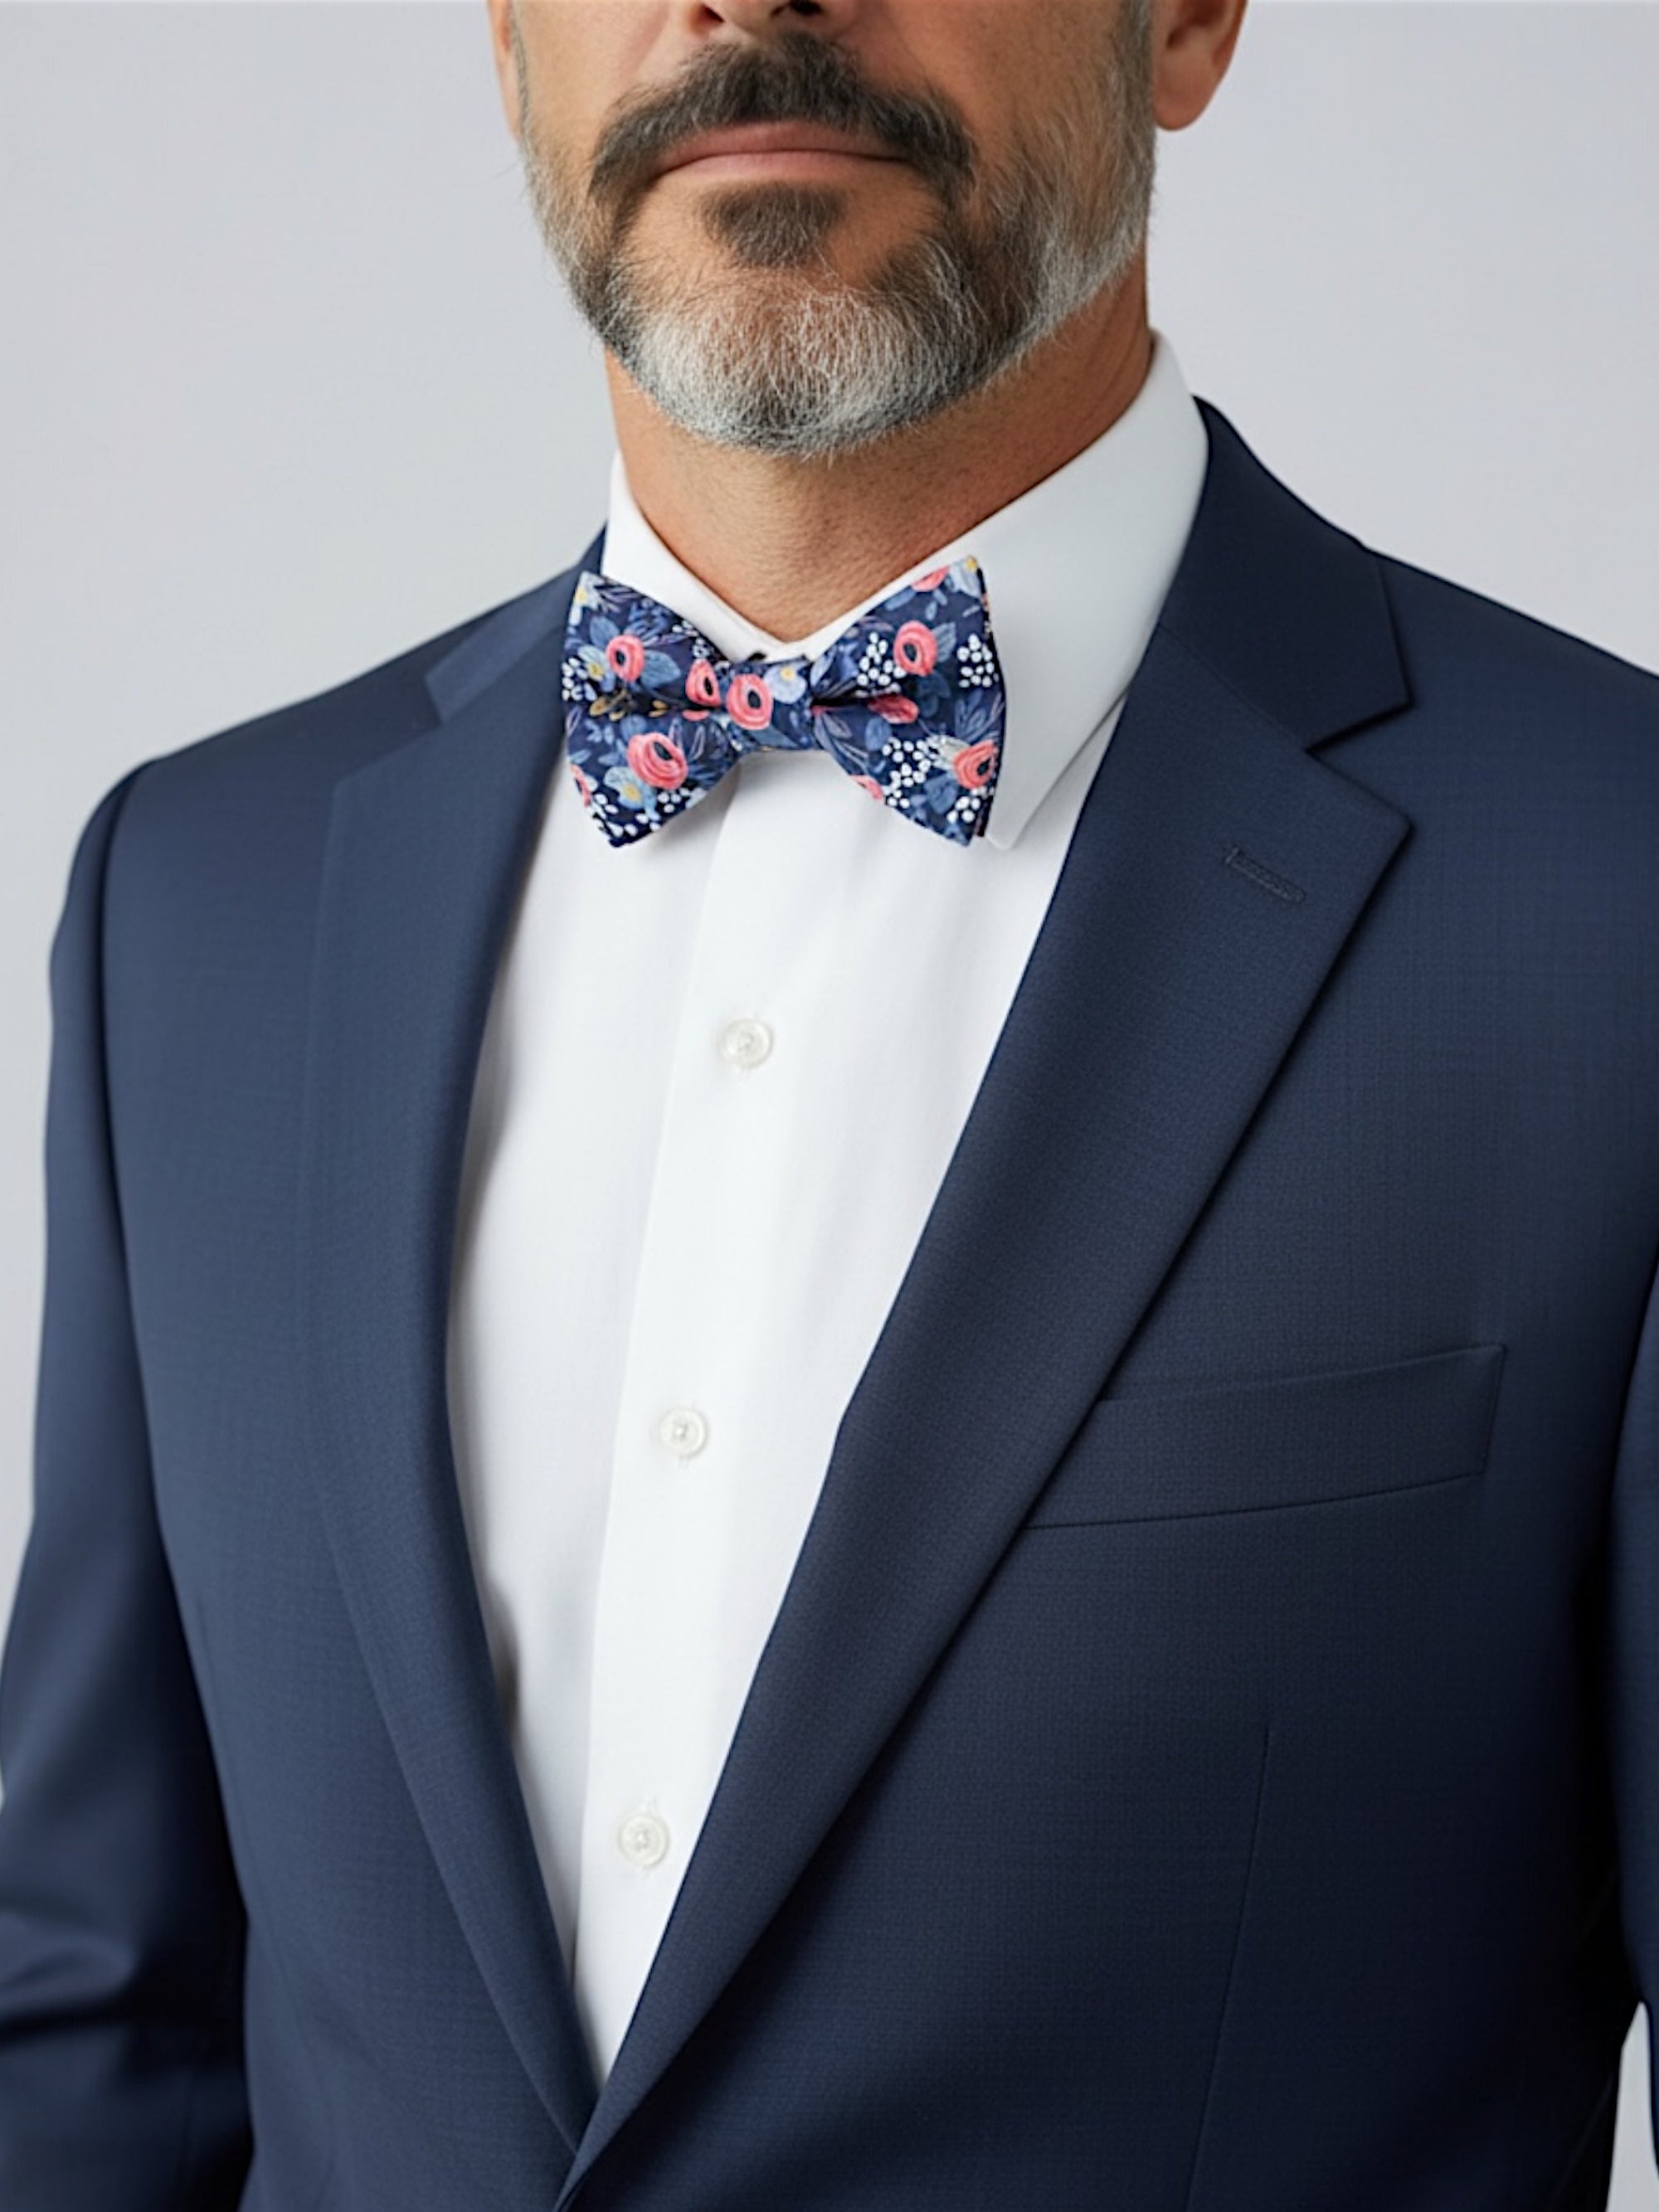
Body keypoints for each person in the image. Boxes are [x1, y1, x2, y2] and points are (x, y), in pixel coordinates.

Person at [1, 0, 1655, 2203]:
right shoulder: (193, 909)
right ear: (506, 37)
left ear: (1184, 20)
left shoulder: (1605, 901)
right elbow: (98, 2044)